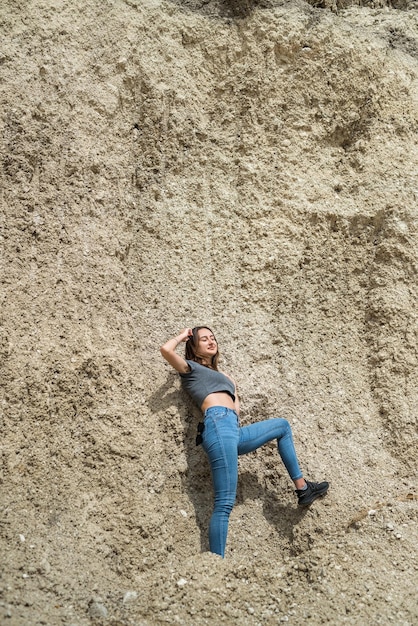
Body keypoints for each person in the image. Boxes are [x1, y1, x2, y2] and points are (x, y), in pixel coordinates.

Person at [160, 326, 329, 558]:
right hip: (218, 426)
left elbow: (236, 412)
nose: (211, 342)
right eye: (204, 339)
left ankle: (303, 488)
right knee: (224, 503)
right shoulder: (191, 368)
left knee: (282, 426)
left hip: (232, 429)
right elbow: (166, 350)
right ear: (194, 347)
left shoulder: (223, 376)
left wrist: (234, 390)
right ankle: (215, 563)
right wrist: (182, 336)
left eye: (213, 338)